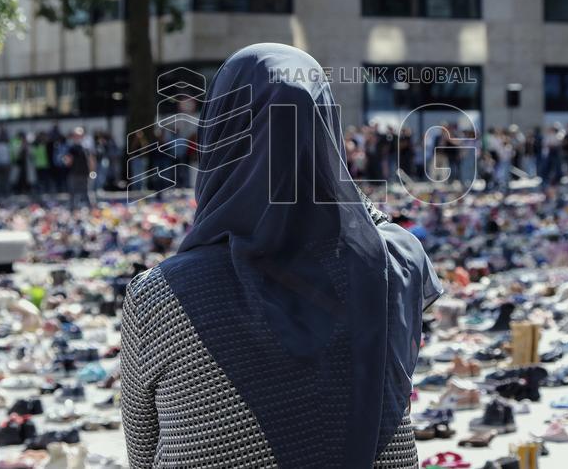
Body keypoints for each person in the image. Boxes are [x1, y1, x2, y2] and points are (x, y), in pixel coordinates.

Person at [121, 43, 441, 469]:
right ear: (326, 130)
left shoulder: (159, 297)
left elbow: (142, 455)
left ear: (218, 134)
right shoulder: (393, 265)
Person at [65, 127, 95, 208]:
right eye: (75, 136)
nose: (77, 137)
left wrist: (92, 171)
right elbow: (68, 162)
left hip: (84, 174)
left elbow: (91, 160)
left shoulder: (87, 148)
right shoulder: (71, 148)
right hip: (74, 173)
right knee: (73, 194)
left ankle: (91, 209)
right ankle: (73, 210)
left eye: (79, 136)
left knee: (86, 193)